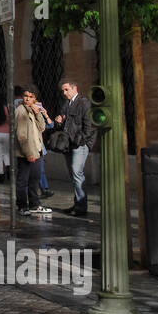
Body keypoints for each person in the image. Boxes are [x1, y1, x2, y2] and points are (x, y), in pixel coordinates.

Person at [55, 79, 95, 216]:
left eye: (66, 89)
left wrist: (83, 140)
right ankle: (77, 204)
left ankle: (81, 206)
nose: (64, 93)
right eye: (63, 91)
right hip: (68, 144)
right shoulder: (66, 104)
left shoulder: (83, 103)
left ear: (74, 88)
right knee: (73, 174)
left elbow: (89, 125)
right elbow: (65, 124)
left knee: (77, 173)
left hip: (79, 144)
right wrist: (59, 120)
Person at [14, 88, 52, 216]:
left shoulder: (32, 110)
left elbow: (42, 127)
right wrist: (28, 152)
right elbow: (21, 135)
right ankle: (22, 206)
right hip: (27, 152)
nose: (28, 99)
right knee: (23, 180)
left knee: (34, 179)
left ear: (34, 98)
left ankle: (35, 204)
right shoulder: (21, 111)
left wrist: (38, 113)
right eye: (25, 96)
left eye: (31, 96)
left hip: (37, 150)